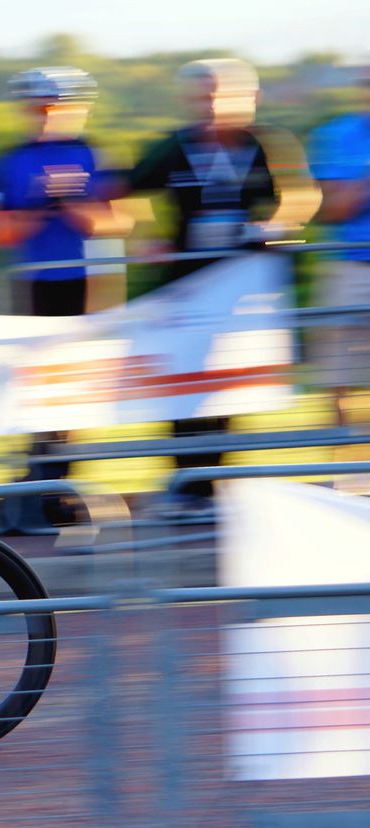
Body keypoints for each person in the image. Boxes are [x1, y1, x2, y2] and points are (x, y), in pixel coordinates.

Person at [107, 58, 319, 509]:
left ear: (248, 98)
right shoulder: (175, 146)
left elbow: (302, 194)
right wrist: (148, 236)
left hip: (240, 286)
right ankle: (186, 485)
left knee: (226, 385)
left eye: (220, 94)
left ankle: (218, 485)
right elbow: (117, 191)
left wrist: (276, 223)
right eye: (202, 96)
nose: (211, 105)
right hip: (185, 287)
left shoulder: (266, 143)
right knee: (182, 383)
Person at [0, 67, 133, 531]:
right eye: (38, 108)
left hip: (84, 281)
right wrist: (35, 204)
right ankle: (34, 486)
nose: (46, 116)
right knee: (33, 387)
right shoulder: (10, 159)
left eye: (56, 107)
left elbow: (117, 222)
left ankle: (60, 484)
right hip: (31, 284)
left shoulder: (93, 153)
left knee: (75, 387)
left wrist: (70, 201)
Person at [307, 65, 370, 431]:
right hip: (349, 266)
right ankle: (339, 469)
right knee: (337, 379)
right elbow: (330, 211)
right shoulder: (337, 135)